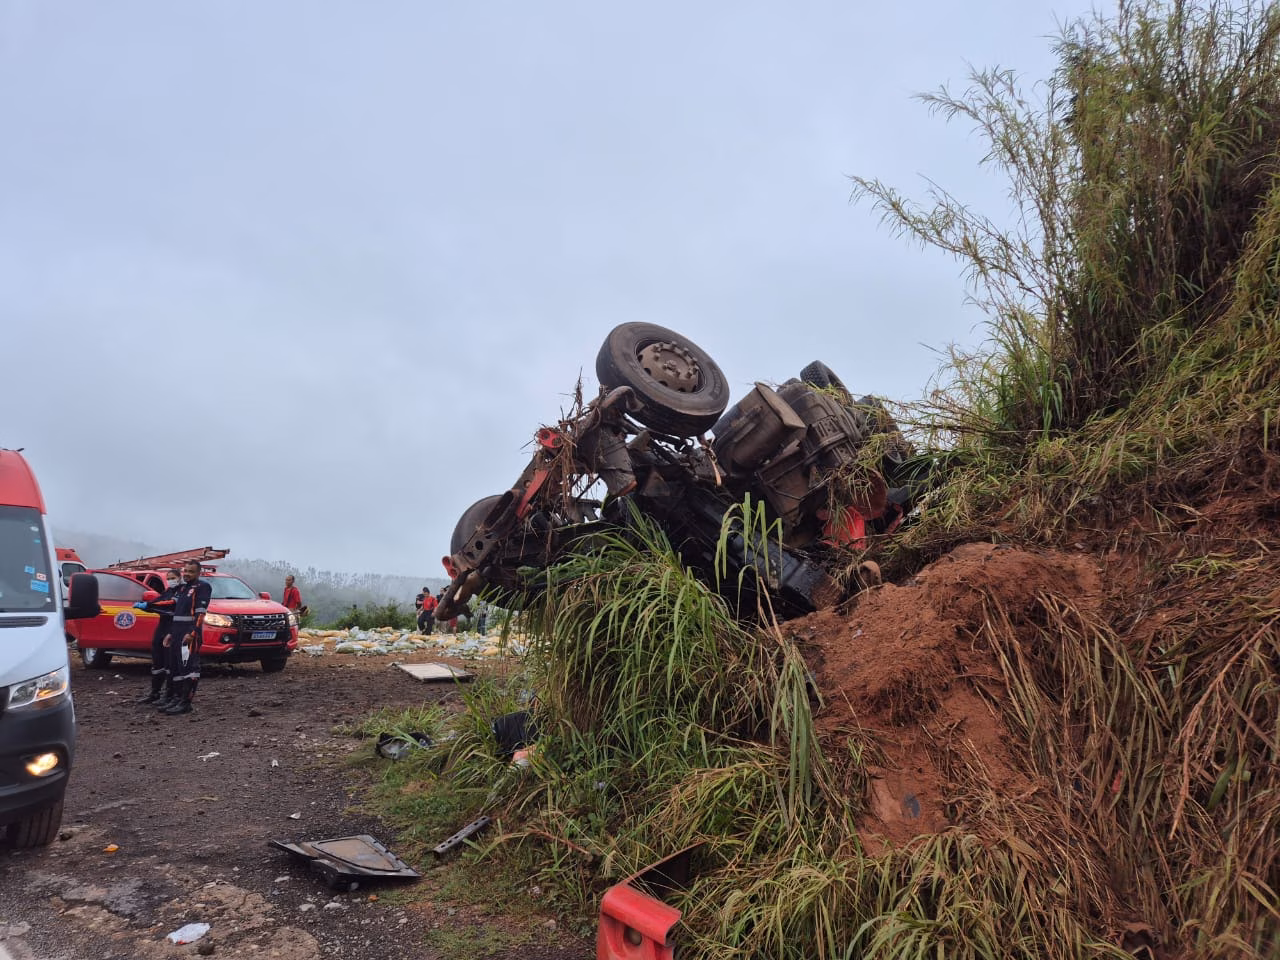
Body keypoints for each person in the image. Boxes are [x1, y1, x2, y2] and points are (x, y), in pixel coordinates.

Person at [159, 560, 212, 716]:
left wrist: (193, 633)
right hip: (176, 633)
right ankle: (176, 698)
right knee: (176, 668)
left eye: (191, 571)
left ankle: (186, 703)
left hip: (189, 635)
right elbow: (177, 613)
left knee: (189, 668)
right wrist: (171, 633)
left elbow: (201, 613)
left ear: (198, 573)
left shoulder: (202, 587)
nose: (187, 574)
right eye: (186, 571)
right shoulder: (182, 588)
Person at [133, 568, 182, 705]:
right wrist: (148, 606)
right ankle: (155, 692)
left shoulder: (181, 592)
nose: (170, 581)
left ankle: (169, 694)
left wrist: (148, 605)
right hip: (162, 627)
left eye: (173, 578)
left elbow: (168, 605)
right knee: (157, 661)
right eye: (169, 578)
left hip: (172, 628)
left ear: (179, 578)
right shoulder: (168, 591)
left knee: (170, 663)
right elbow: (159, 602)